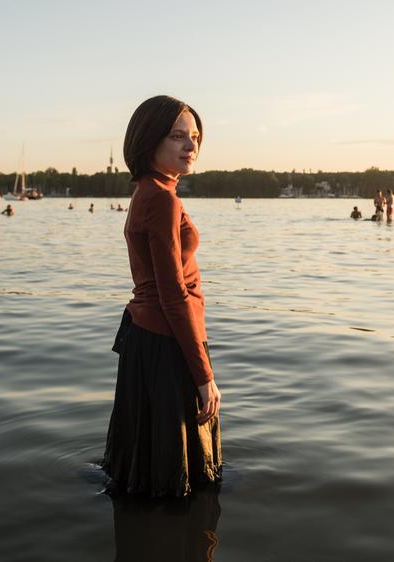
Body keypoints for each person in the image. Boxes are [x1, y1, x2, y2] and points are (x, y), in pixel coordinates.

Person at [101, 95, 221, 497]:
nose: (191, 145)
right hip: (166, 339)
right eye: (177, 136)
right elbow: (172, 295)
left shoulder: (148, 191)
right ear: (150, 140)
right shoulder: (161, 199)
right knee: (174, 474)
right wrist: (204, 376)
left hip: (150, 338)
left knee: (146, 466)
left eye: (195, 137)